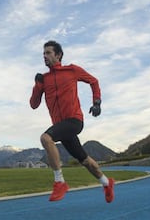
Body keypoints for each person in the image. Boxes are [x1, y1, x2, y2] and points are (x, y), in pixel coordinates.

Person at [30, 40, 114, 203]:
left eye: (48, 53)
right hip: (61, 127)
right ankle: (106, 183)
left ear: (58, 55)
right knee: (86, 161)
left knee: (45, 138)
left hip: (74, 120)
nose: (44, 56)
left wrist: (97, 102)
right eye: (43, 54)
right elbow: (34, 104)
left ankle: (60, 182)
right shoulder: (44, 79)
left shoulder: (72, 70)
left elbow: (94, 81)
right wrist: (37, 85)